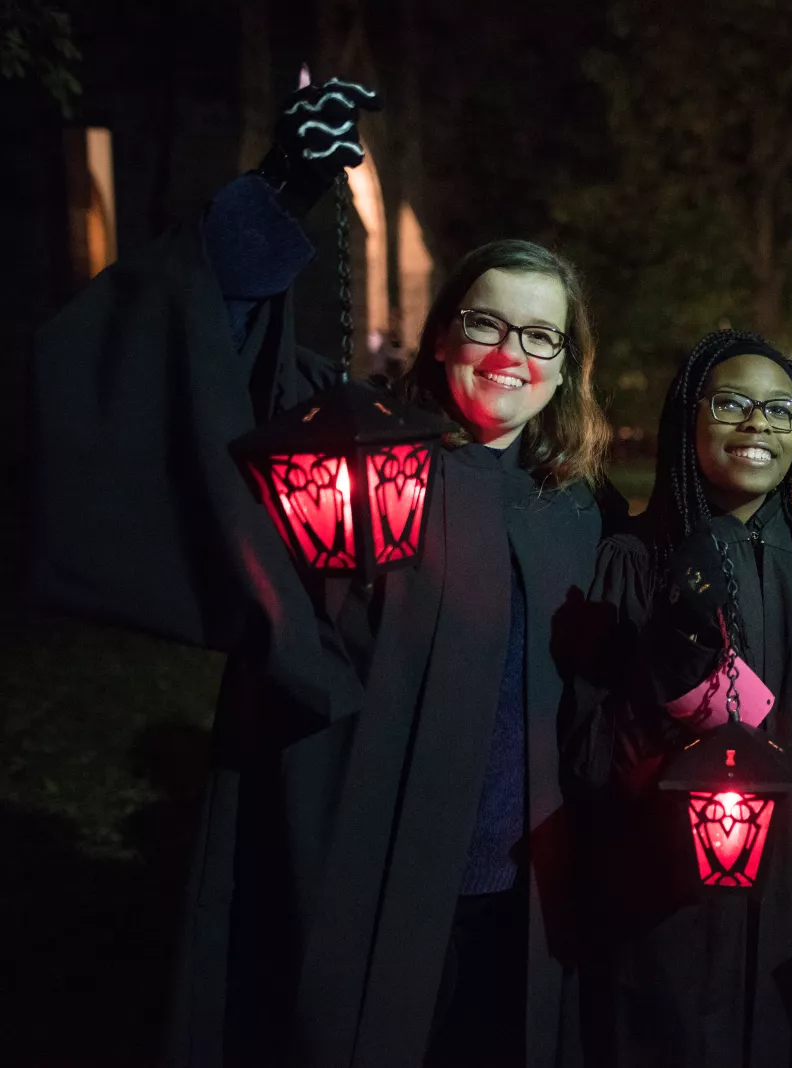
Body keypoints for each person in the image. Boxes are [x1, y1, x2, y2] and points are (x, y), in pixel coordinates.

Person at [29, 78, 614, 1068]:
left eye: (541, 335)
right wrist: (278, 190)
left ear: (567, 366)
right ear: (442, 337)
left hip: (515, 901)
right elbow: (219, 355)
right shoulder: (349, 451)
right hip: (354, 870)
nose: (511, 352)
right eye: (487, 323)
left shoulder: (577, 515)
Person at [569, 330, 792, 1068]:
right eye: (733, 404)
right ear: (690, 414)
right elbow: (590, 746)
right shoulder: (636, 560)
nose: (757, 426)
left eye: (779, 410)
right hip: (671, 887)